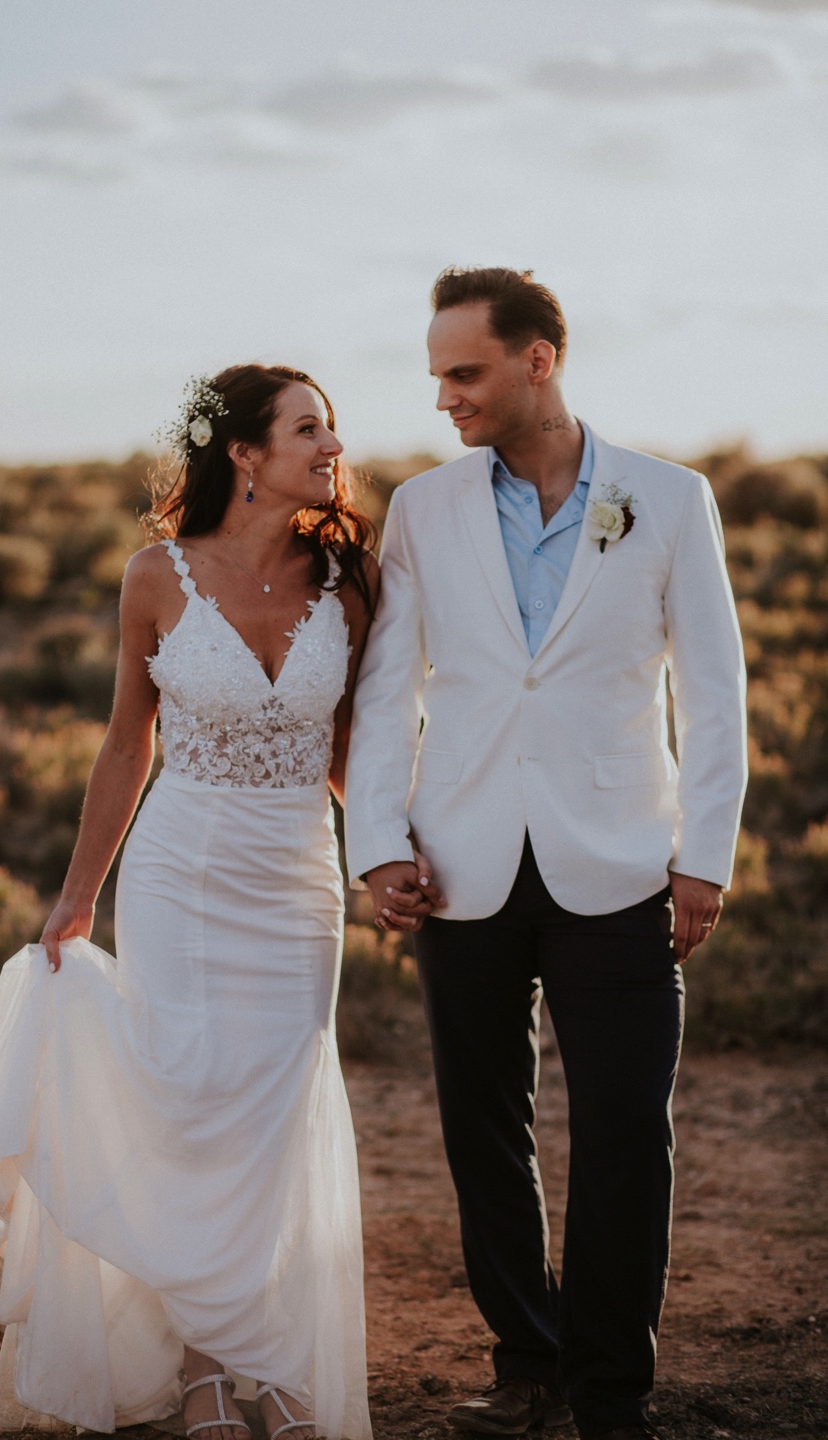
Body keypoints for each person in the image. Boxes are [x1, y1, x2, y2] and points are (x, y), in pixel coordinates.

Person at [344, 268, 747, 1440]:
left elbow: (714, 697)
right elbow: (387, 689)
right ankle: (527, 1361)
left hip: (621, 863)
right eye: (436, 377)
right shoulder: (424, 509)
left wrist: (703, 857)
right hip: (459, 859)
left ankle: (611, 1389)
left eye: (464, 373)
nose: (445, 399)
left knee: (627, 1131)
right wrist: (376, 842)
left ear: (538, 360)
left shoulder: (671, 499)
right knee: (485, 1130)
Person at [0, 364, 378, 1440]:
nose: (332, 444)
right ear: (244, 453)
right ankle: (200, 1366)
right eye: (307, 427)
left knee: (275, 1108)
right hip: (183, 868)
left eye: (330, 427)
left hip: (297, 877)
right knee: (190, 1101)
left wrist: (389, 854)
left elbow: (350, 751)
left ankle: (264, 1355)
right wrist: (75, 898)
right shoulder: (158, 575)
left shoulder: (348, 581)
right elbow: (126, 743)